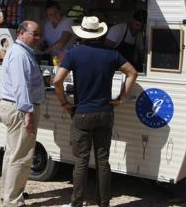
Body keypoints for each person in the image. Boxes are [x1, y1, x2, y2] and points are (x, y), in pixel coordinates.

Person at [53, 16, 138, 207]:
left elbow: (57, 81)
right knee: (103, 161)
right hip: (105, 112)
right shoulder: (111, 54)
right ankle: (104, 202)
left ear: (82, 34)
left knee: (81, 161)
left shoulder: (75, 53)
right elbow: (132, 72)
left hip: (82, 112)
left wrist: (64, 102)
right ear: (100, 33)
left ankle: (77, 203)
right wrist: (122, 98)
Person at [0, 20, 45, 207]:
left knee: (12, 153)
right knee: (22, 155)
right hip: (20, 109)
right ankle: (13, 200)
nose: (38, 38)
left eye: (38, 34)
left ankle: (7, 193)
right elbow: (21, 86)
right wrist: (27, 113)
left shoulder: (20, 52)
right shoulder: (20, 54)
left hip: (14, 107)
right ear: (21, 33)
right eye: (34, 34)